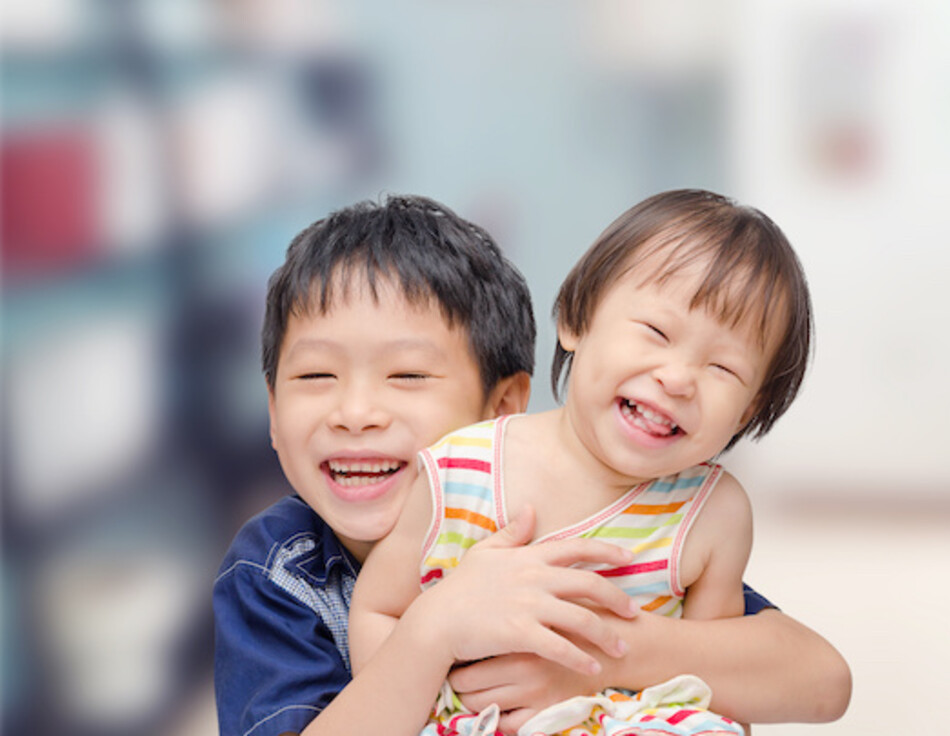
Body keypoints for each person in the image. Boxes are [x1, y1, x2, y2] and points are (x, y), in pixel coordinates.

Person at [213, 194, 850, 736]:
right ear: (271, 410)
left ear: (504, 407)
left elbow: (815, 679)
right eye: (316, 375)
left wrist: (595, 661)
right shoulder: (278, 573)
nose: (356, 413)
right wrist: (434, 629)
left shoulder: (648, 516)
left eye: (406, 375)